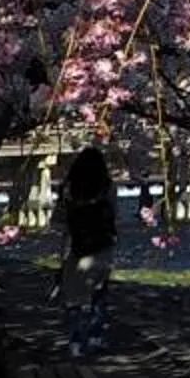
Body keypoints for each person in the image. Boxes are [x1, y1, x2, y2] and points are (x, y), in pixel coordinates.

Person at [56, 145, 118, 359]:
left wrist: (62, 256)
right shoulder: (107, 187)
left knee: (74, 299)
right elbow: (113, 215)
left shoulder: (68, 189)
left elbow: (61, 222)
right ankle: (95, 337)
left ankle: (75, 342)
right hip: (102, 247)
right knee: (98, 295)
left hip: (76, 248)